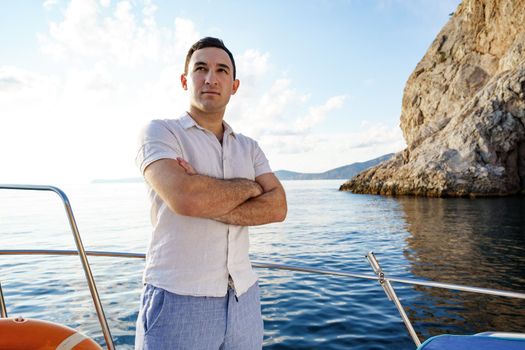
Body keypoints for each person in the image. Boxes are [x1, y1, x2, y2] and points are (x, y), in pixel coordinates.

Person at [134, 37, 287, 350]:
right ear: (184, 80)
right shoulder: (160, 133)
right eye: (200, 68)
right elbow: (186, 198)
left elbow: (278, 207)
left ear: (234, 85)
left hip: (243, 299)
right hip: (178, 299)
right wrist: (250, 187)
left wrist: (205, 196)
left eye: (221, 70)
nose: (210, 78)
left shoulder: (249, 147)